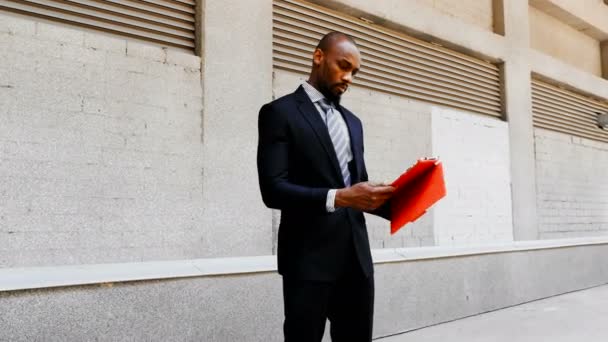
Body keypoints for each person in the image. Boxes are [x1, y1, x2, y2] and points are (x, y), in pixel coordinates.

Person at [257, 31, 395, 342]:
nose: (348, 78)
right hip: (307, 262)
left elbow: (359, 191)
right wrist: (341, 197)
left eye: (354, 72)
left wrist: (410, 194)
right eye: (343, 66)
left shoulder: (354, 122)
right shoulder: (280, 113)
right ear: (318, 57)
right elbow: (273, 190)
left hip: (357, 263)